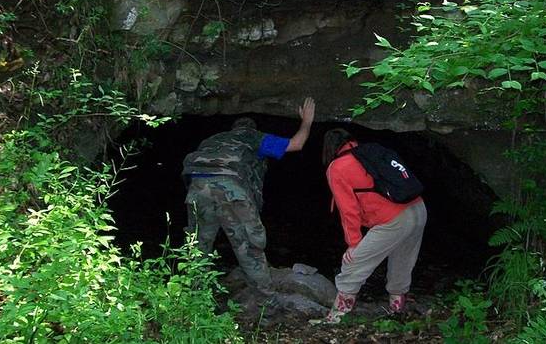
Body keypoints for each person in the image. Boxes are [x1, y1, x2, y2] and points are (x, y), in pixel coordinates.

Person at [182, 98, 316, 295]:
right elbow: (296, 144)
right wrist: (307, 121)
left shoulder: (212, 140)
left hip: (197, 189)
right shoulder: (253, 137)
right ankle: (266, 303)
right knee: (249, 247)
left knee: (197, 247)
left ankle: (194, 300)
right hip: (231, 189)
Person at [321, 128, 427, 323]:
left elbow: (348, 210)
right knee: (402, 262)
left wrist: (353, 243)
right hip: (418, 209)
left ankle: (336, 318)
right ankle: (397, 311)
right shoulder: (371, 153)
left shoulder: (337, 167)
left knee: (353, 264)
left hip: (394, 219)